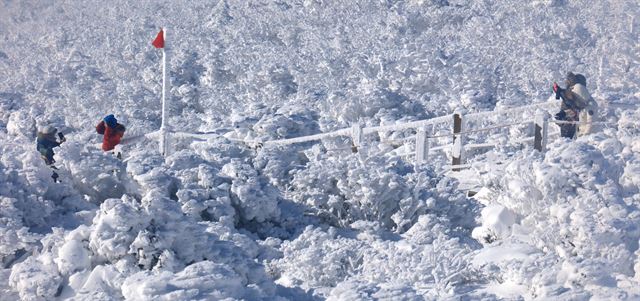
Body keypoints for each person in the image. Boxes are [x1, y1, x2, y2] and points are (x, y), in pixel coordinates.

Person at [552, 72, 595, 138]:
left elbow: (576, 103)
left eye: (568, 81)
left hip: (574, 121)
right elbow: (574, 102)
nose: (567, 82)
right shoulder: (575, 90)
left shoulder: (578, 88)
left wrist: (561, 92)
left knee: (566, 138)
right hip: (572, 120)